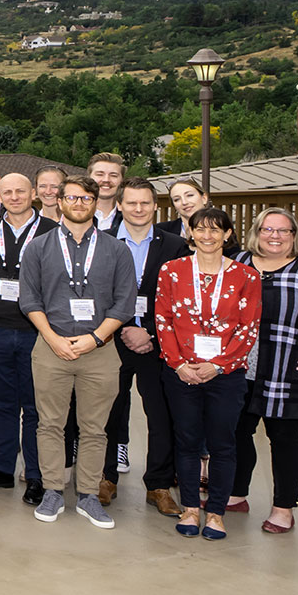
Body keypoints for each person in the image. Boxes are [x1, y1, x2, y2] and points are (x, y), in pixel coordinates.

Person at [20, 175, 136, 528]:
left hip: (99, 349)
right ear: (58, 201)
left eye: (86, 198)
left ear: (96, 202)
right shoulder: (38, 247)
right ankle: (53, 489)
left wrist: (95, 339)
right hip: (50, 346)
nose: (79, 204)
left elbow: (124, 303)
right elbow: (29, 299)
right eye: (72, 197)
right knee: (50, 424)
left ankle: (88, 494)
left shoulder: (116, 249)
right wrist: (53, 338)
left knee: (95, 428)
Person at [229, 207, 298, 535]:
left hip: (287, 375)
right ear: (256, 232)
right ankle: (237, 494)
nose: (274, 236)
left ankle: (283, 509)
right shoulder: (239, 265)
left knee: (284, 440)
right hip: (239, 370)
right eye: (268, 229)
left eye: (283, 231)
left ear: (294, 237)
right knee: (236, 434)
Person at [156, 208, 261, 541]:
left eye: (216, 230)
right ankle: (189, 507)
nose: (207, 236)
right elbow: (163, 321)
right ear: (191, 232)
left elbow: (248, 328)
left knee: (222, 444)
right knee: (186, 441)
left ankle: (215, 512)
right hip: (181, 371)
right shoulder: (171, 271)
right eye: (200, 229)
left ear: (228, 235)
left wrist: (217, 365)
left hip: (226, 374)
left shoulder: (247, 276)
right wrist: (179, 364)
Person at [0, 173, 57, 502]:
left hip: (38, 333)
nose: (15, 197)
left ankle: (35, 475)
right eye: (8, 192)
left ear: (33, 193)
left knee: (35, 409)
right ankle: (2, 469)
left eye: (21, 191)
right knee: (2, 404)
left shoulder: (51, 232)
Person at [99, 178, 188, 516]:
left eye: (145, 203)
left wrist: (148, 331)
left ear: (155, 206)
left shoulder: (175, 245)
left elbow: (180, 302)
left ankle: (159, 485)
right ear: (119, 205)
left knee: (161, 415)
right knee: (109, 411)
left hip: (159, 344)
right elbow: (96, 296)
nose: (139, 209)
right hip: (112, 340)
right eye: (132, 203)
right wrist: (122, 328)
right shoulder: (102, 242)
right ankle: (106, 478)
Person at [87, 152, 126, 233]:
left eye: (113, 175)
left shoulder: (129, 217)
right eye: (100, 174)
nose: (106, 180)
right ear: (89, 178)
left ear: (122, 180)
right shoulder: (74, 213)